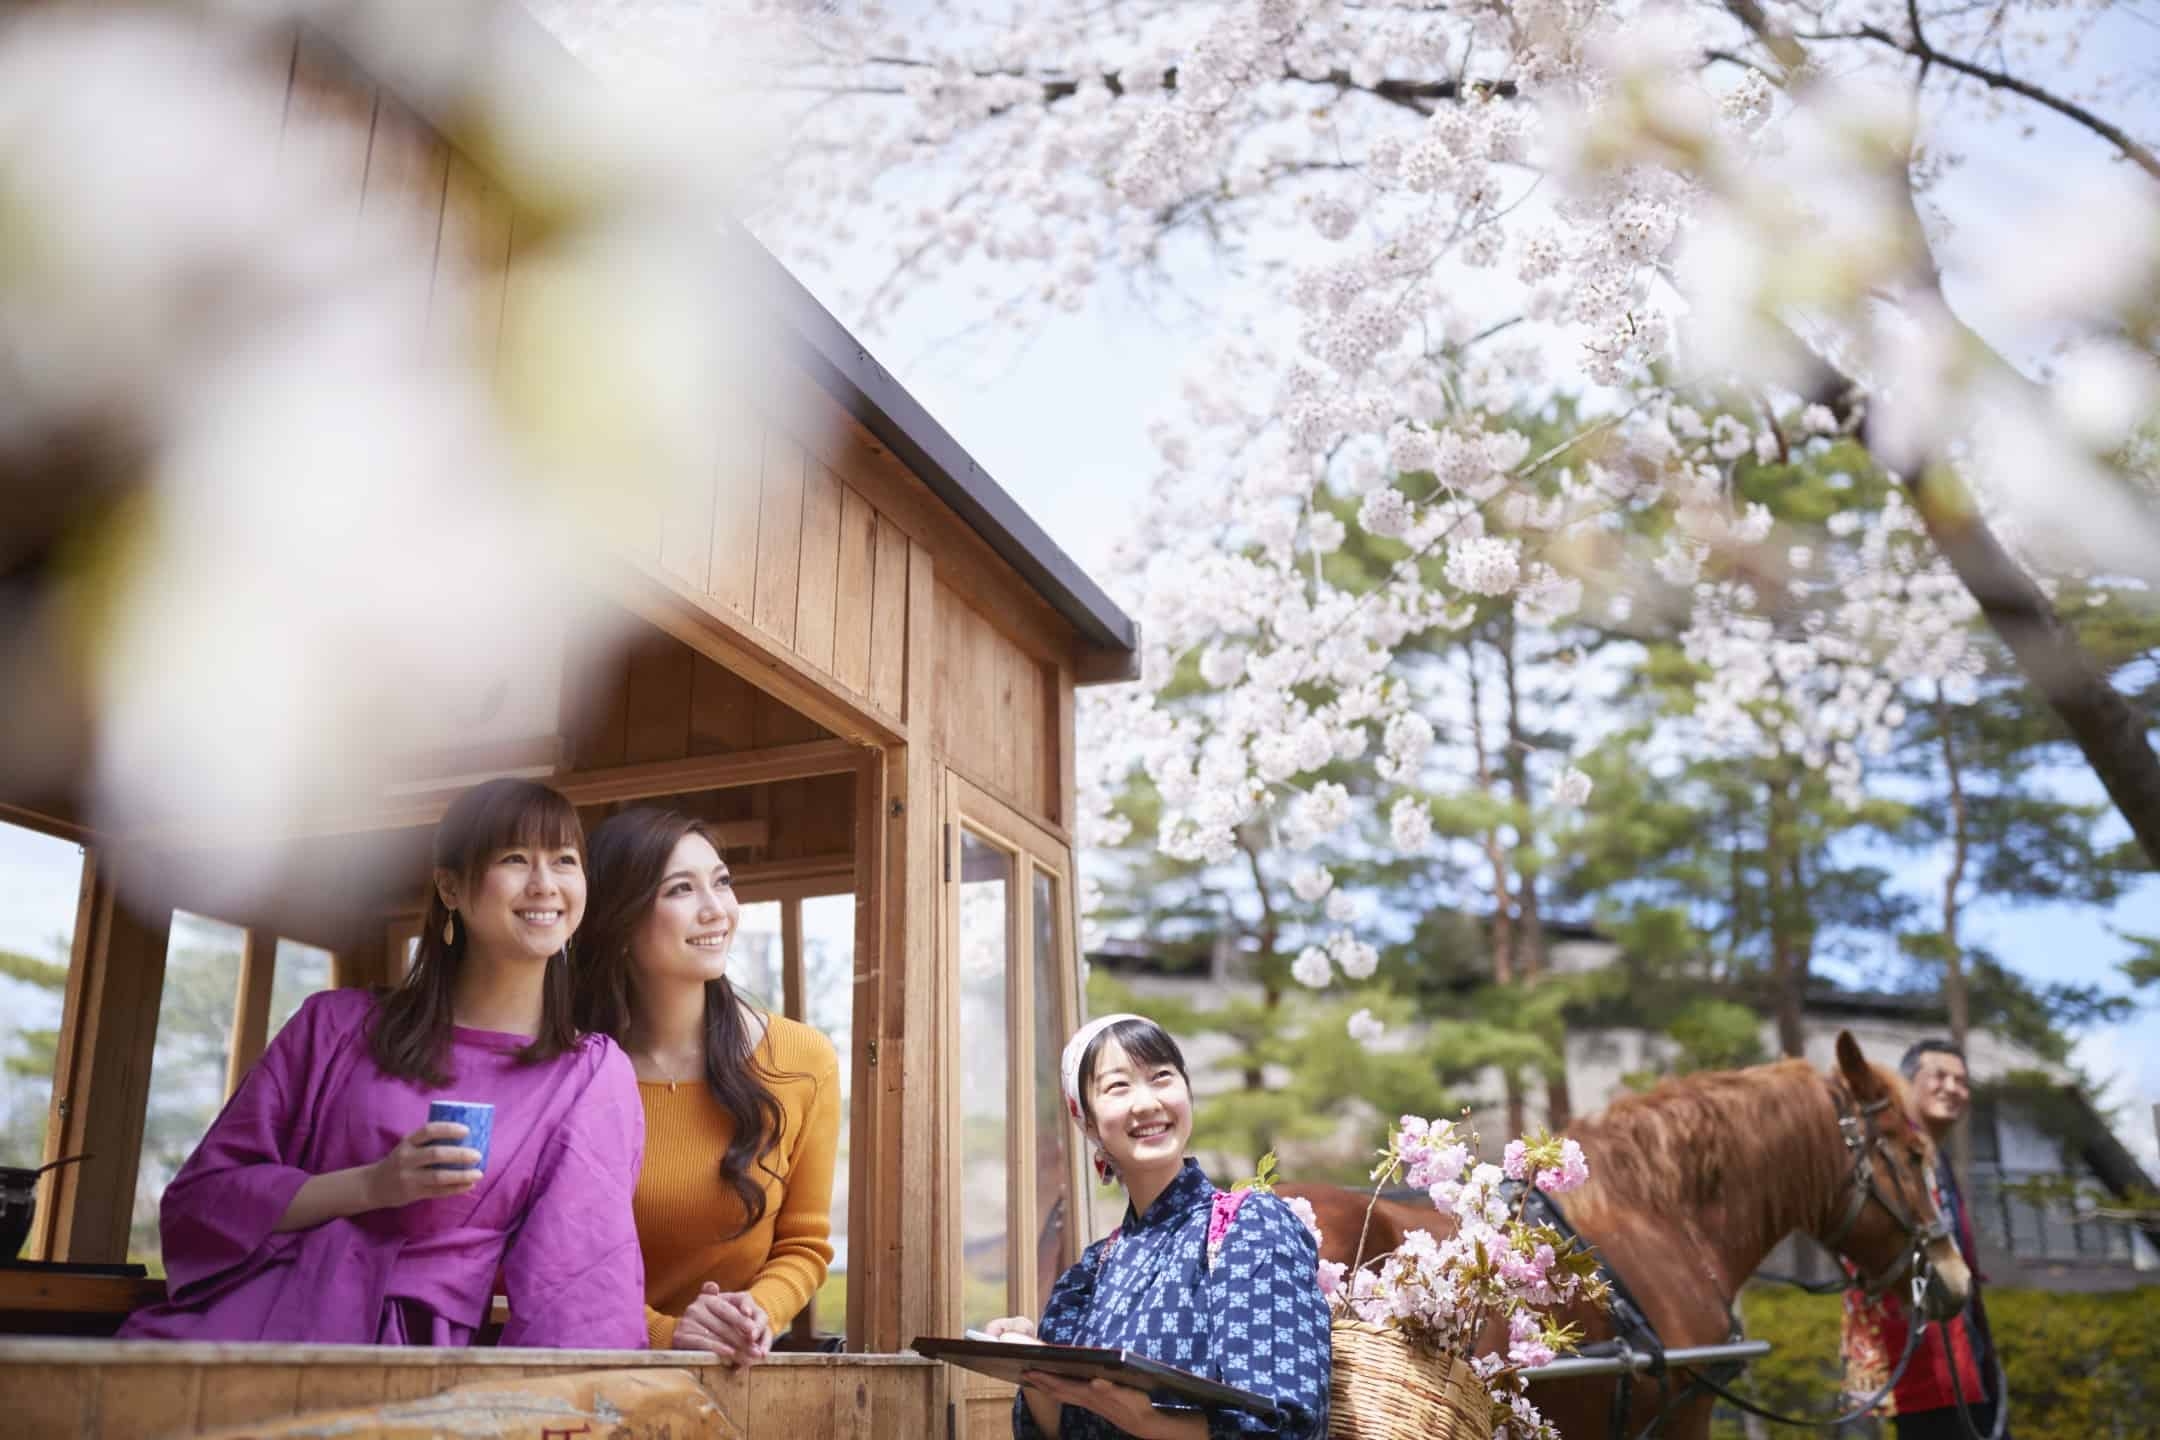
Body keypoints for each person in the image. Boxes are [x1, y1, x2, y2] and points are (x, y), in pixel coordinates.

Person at [120, 778, 647, 1347]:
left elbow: (580, 1291)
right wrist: (373, 1185)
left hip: (410, 1358)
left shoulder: (588, 1074)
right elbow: (205, 1201)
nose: (545, 884)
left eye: (564, 860)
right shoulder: (336, 1026)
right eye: (516, 858)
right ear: (450, 886)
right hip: (242, 1330)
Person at [982, 1014, 1330, 1440]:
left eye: (1161, 1077)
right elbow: (1062, 1429)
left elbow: (1287, 1427)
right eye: (1118, 1086)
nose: (1146, 1103)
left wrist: (1146, 1421)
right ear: (1088, 1122)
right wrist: (1031, 1367)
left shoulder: (1249, 1227)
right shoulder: (1090, 1273)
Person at [575, 807, 840, 1361]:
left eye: (721, 882)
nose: (716, 909)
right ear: (620, 921)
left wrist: (754, 1314)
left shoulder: (801, 1059)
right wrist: (665, 1334)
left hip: (735, 1380)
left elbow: (805, 1244)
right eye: (680, 889)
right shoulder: (571, 1072)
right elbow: (549, 1260)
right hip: (586, 1376)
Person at [1841, 1038, 2008, 1439]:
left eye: (1962, 1081)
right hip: (1908, 1352)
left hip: (1962, 1349)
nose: (1953, 1088)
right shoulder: (1886, 1153)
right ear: (1907, 1083)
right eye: (1940, 1076)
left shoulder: (1938, 1158)